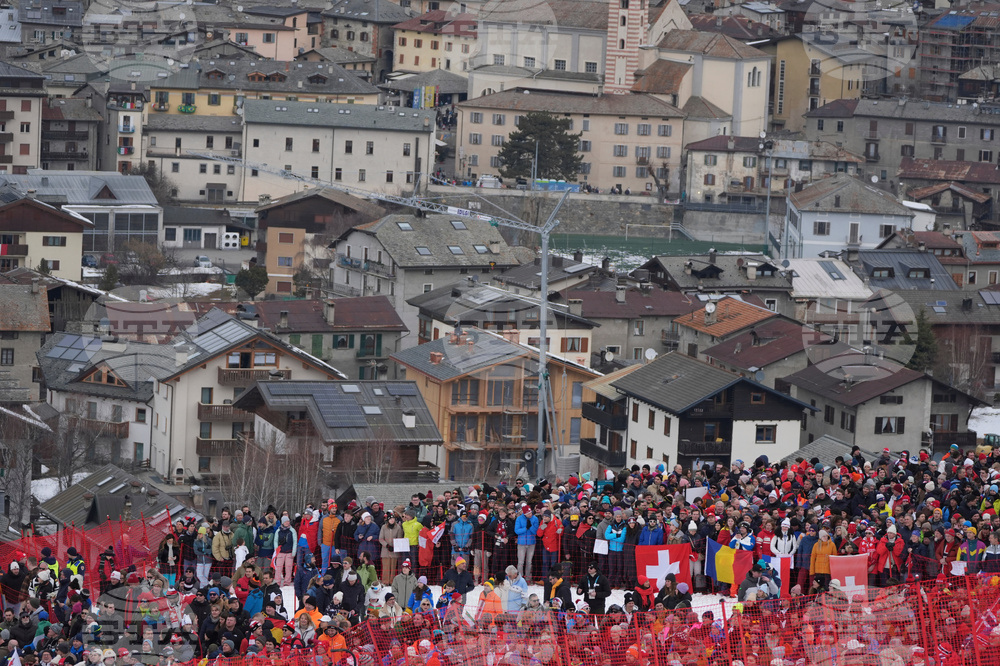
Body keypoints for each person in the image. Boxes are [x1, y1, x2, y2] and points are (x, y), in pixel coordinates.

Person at [514, 505, 539, 583]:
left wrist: (530, 527)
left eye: (530, 513)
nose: (530, 514)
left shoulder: (535, 519)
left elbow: (535, 531)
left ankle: (528, 578)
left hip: (531, 543)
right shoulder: (519, 519)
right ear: (524, 513)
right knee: (520, 562)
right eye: (528, 513)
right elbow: (517, 531)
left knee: (529, 562)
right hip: (521, 543)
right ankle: (520, 578)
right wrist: (525, 528)